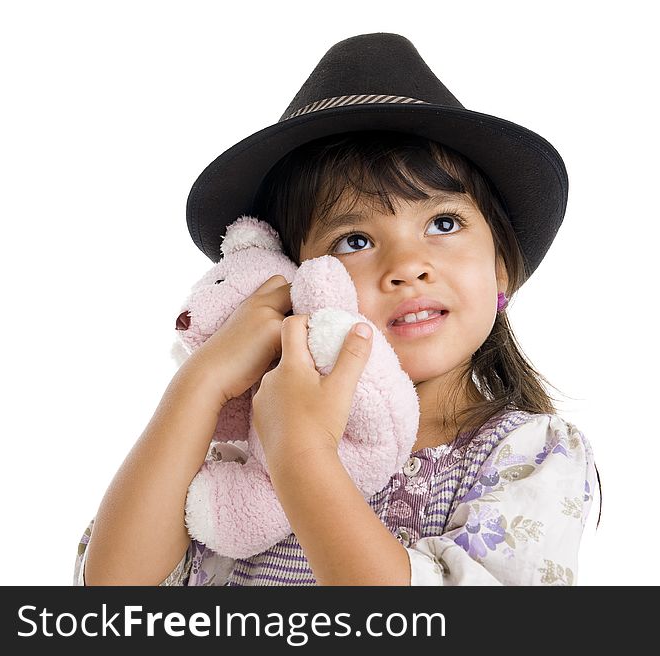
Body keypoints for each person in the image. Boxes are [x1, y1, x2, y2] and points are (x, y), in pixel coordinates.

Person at [74, 32, 601, 586]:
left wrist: (300, 450)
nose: (408, 266)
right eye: (354, 240)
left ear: (500, 267)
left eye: (443, 224)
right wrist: (201, 383)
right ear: (292, 280)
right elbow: (111, 593)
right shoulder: (229, 455)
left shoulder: (529, 456)